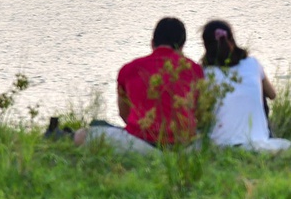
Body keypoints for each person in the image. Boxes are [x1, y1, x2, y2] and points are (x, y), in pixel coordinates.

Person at [75, 17, 205, 153]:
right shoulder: (195, 70)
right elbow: (198, 113)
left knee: (82, 135)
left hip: (140, 145)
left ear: (152, 42)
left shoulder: (130, 69)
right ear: (182, 45)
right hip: (183, 148)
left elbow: (124, 113)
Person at [200, 20, 291, 152]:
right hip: (259, 140)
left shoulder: (205, 73)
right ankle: (261, 132)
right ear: (232, 39)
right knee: (259, 90)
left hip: (219, 143)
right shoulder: (252, 63)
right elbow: (272, 94)